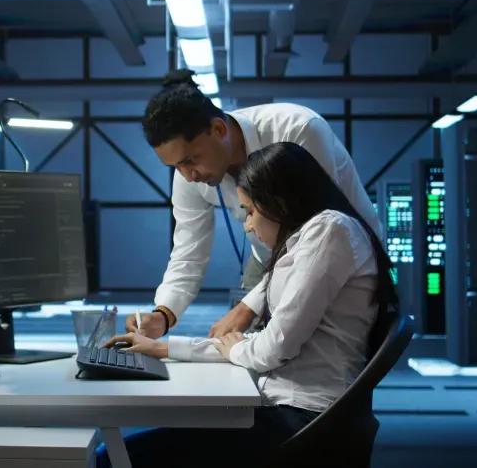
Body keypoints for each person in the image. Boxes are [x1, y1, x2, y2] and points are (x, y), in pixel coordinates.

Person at [108, 142, 398, 467]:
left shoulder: (329, 231)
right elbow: (251, 345)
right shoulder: (307, 241)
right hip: (290, 410)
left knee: (119, 457)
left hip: (304, 421)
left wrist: (236, 348)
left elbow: (274, 347)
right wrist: (160, 348)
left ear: (279, 202)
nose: (247, 225)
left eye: (249, 211)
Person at [129, 70, 381, 340]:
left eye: (190, 160)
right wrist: (164, 314)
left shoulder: (297, 129)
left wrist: (250, 304)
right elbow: (188, 251)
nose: (188, 175)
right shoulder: (189, 176)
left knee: (327, 352)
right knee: (246, 351)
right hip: (268, 258)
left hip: (340, 251)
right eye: (175, 166)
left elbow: (315, 239)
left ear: (219, 129)